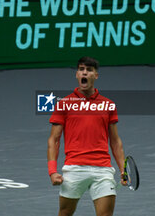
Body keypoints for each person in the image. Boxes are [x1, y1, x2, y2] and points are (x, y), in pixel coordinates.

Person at [47, 56, 127, 216]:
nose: (85, 73)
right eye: (81, 69)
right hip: (74, 168)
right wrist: (52, 171)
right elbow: (53, 140)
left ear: (95, 76)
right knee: (65, 213)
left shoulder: (108, 105)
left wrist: (123, 169)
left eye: (89, 70)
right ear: (77, 74)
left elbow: (115, 141)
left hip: (103, 170)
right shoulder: (64, 104)